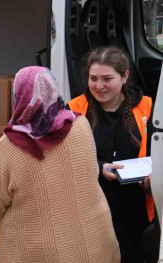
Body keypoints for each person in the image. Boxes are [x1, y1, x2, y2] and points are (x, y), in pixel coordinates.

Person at [0, 66, 121, 263]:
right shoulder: (81, 126)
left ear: (18, 97)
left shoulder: (8, 147)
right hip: (97, 248)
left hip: (40, 254)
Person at [67, 45, 161, 263]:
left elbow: (160, 153)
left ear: (125, 76)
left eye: (107, 78)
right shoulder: (74, 108)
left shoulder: (148, 107)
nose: (98, 86)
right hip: (90, 208)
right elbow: (64, 155)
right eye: (93, 78)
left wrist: (154, 178)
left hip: (135, 209)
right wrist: (99, 167)